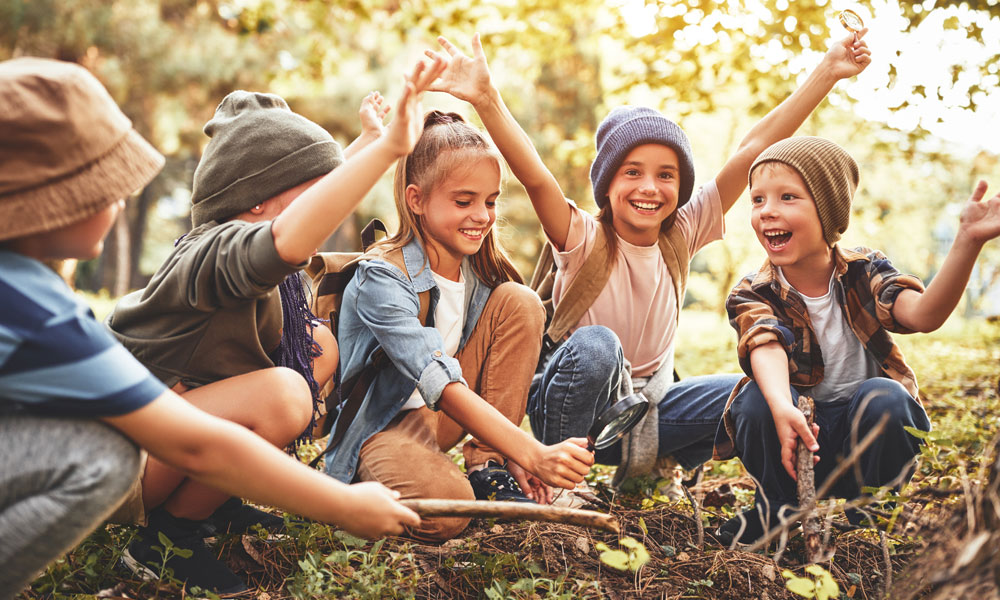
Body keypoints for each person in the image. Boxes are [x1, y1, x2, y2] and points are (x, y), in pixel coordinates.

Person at [0, 57, 423, 600]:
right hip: (143, 449)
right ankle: (164, 541)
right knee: (284, 393)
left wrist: (367, 142)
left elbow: (299, 201)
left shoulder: (23, 285)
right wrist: (341, 504)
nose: (120, 198)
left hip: (151, 428)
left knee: (315, 347)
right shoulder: (211, 254)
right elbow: (287, 236)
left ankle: (209, 503)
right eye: (107, 187)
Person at [425, 32, 871, 504]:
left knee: (756, 392)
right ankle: (555, 484)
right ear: (607, 182)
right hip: (574, 406)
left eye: (666, 174)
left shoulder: (683, 230)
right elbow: (534, 173)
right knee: (599, 345)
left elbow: (755, 144)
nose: (649, 187)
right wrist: (486, 98)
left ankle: (658, 471)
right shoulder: (582, 237)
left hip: (650, 410)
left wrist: (828, 71)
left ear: (681, 186)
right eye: (632, 172)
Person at [322, 110, 594, 541]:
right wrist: (533, 451)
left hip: (437, 423)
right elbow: (440, 380)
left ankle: (488, 466)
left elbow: (493, 370)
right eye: (463, 201)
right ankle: (371, 485)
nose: (482, 216)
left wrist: (512, 454)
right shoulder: (383, 276)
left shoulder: (478, 273)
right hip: (380, 428)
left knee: (521, 302)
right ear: (416, 199)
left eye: (490, 201)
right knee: (451, 514)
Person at [714, 136, 1000, 545]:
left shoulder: (865, 271)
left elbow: (924, 314)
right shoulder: (753, 292)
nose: (767, 211)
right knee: (754, 400)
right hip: (792, 440)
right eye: (757, 200)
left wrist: (968, 241)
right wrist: (782, 408)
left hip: (863, 439)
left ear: (828, 212)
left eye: (787, 197)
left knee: (886, 396)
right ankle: (776, 508)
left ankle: (872, 510)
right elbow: (765, 343)